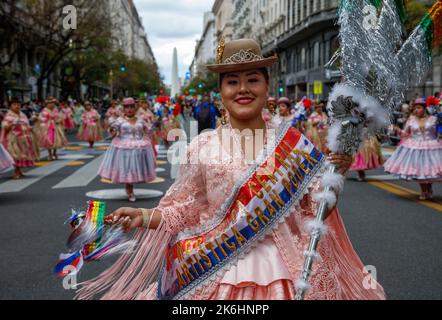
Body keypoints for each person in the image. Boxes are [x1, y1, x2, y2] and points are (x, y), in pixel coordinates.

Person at [76, 39, 384, 301]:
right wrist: (143, 217)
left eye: (253, 79)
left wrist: (335, 178)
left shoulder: (294, 144)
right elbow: (186, 209)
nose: (243, 89)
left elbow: (315, 211)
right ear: (221, 90)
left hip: (286, 270)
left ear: (266, 86)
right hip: (216, 268)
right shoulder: (203, 146)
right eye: (232, 81)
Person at [98, 98, 156, 202]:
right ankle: (130, 191)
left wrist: (153, 125)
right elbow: (113, 132)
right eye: (126, 107)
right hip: (123, 148)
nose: (129, 109)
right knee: (127, 169)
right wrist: (111, 128)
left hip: (138, 148)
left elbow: (148, 130)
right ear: (123, 108)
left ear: (135, 108)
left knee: (135, 170)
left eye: (131, 107)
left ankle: (130, 188)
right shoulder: (119, 120)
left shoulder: (141, 119)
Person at [384, 98, 442, 200]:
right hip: (416, 148)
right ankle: (424, 191)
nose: (416, 110)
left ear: (424, 108)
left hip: (432, 148)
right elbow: (406, 134)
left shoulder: (434, 119)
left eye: (419, 108)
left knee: (430, 171)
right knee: (420, 170)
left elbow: (439, 132)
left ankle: (429, 188)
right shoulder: (411, 120)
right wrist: (397, 130)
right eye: (415, 108)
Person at [1, 98, 39, 178]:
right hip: (14, 139)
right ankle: (16, 171)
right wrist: (12, 124)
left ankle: (19, 171)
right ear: (10, 106)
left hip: (24, 138)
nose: (17, 106)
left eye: (18, 104)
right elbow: (5, 127)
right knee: (16, 155)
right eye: (14, 105)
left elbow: (26, 125)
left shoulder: (23, 115)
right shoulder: (8, 115)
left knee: (22, 155)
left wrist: (31, 126)